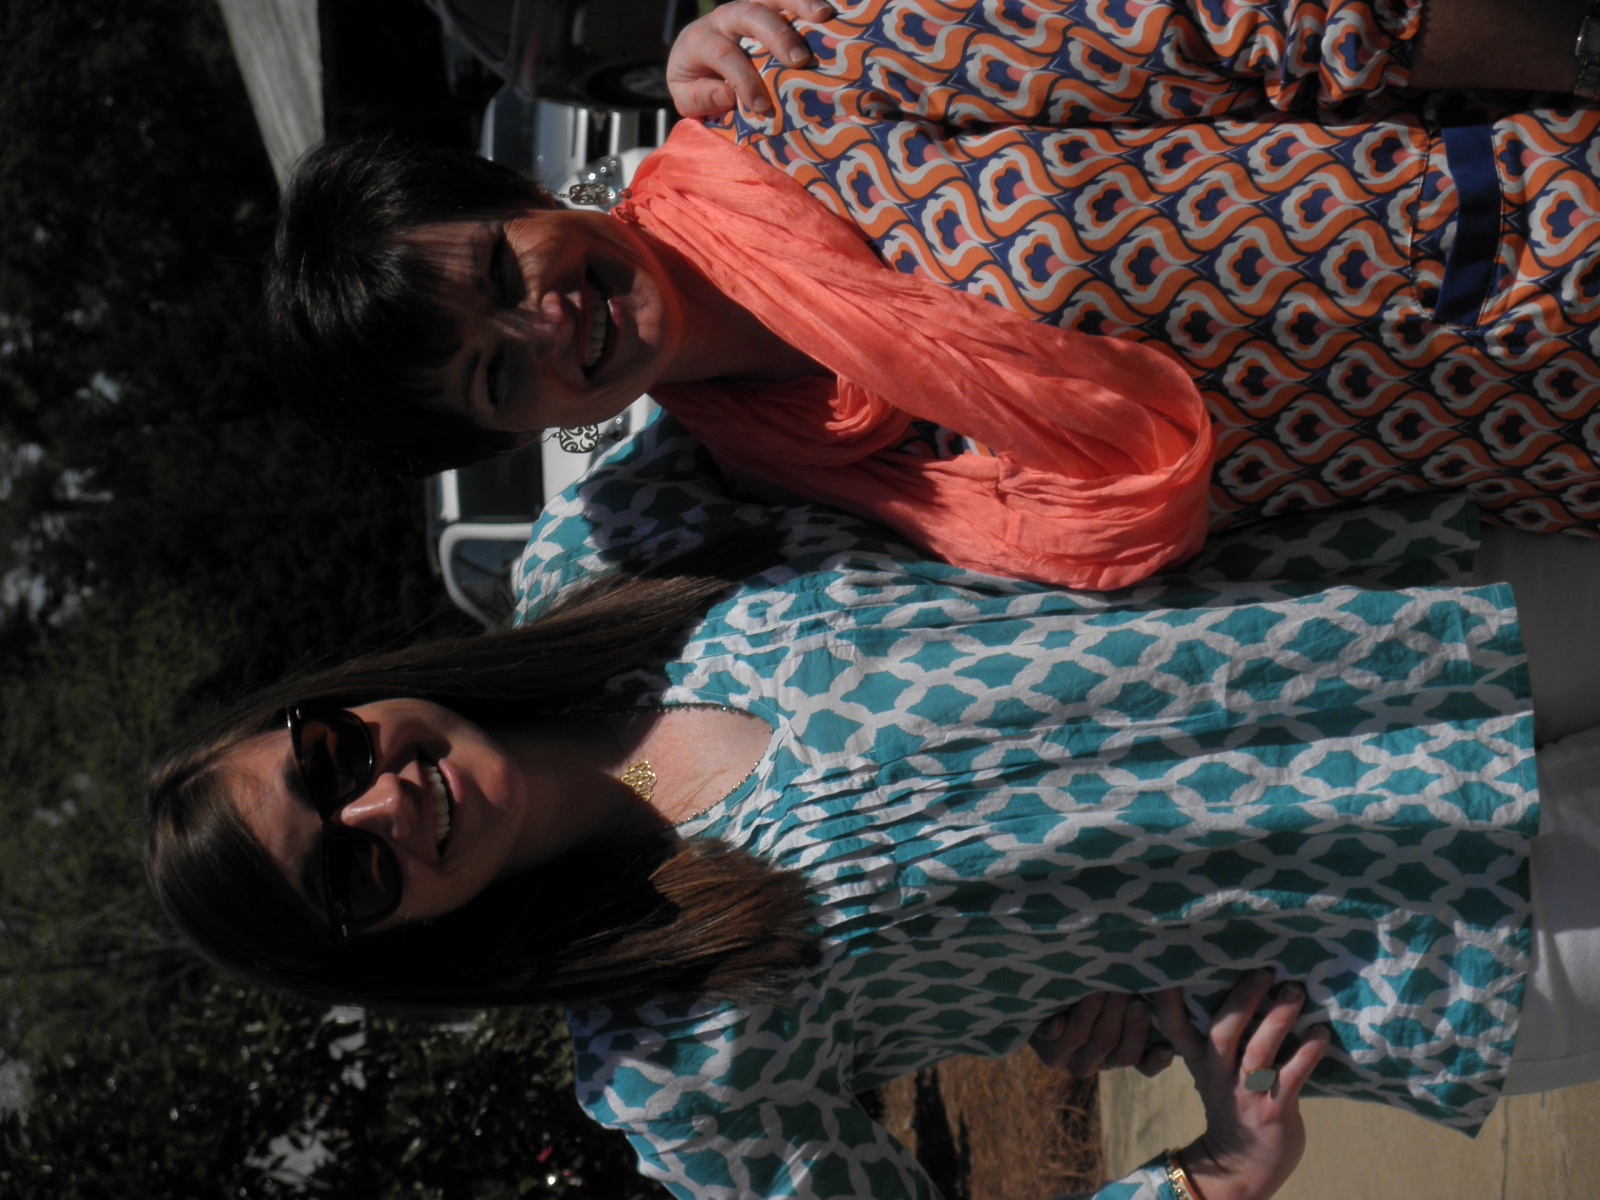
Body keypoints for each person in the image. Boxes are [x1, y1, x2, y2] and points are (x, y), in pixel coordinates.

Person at [149, 412, 1600, 1200]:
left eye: (326, 762)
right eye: (347, 880)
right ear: (392, 948)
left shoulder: (602, 551)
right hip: (1424, 942)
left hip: (1411, 609)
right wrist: (1210, 1174)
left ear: (340, 701)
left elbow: (756, 315)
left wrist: (722, 55)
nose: (380, 808)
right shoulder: (667, 1062)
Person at [267, 0, 1600, 591]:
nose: (546, 324)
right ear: (522, 432)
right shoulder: (793, 495)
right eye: (498, 373)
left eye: (502, 270)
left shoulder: (806, 86)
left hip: (1557, 212)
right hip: (1550, 461)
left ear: (521, 191)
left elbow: (1267, 22)